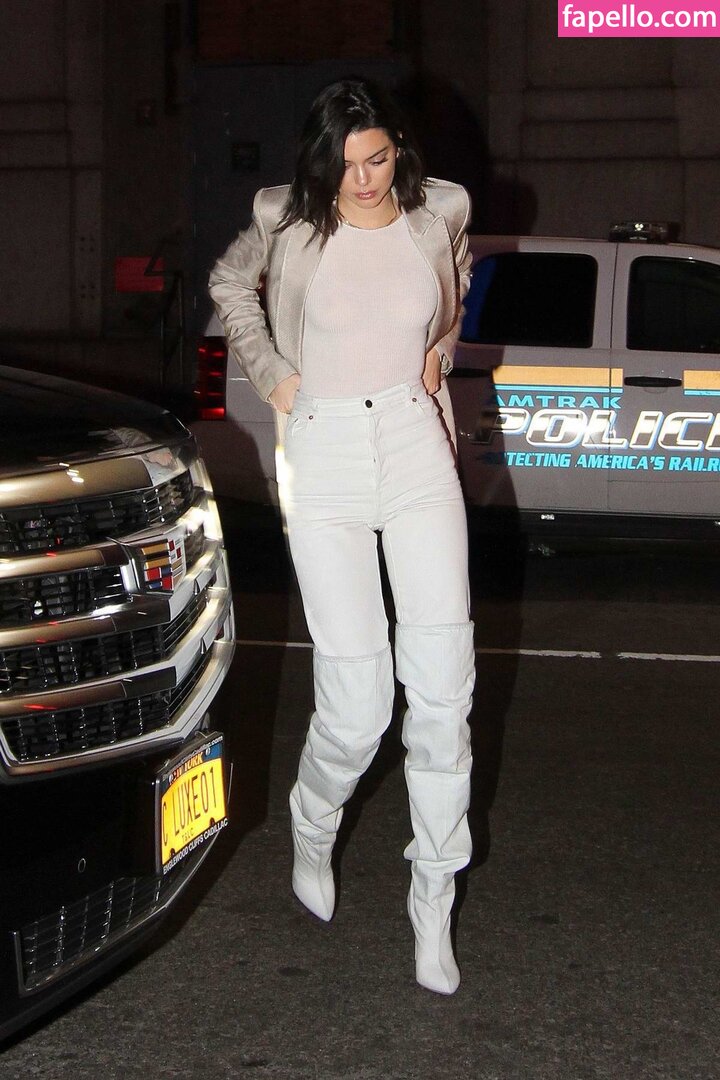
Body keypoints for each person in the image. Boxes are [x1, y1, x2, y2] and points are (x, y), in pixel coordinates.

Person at [209, 77, 474, 996]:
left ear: (400, 148)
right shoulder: (285, 219)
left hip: (414, 440)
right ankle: (313, 819)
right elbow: (229, 283)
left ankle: (433, 896)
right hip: (323, 454)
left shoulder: (440, 211)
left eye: (379, 158)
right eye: (347, 163)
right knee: (359, 707)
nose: (364, 179)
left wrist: (441, 348)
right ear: (322, 162)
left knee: (442, 693)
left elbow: (455, 285)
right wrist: (273, 373)